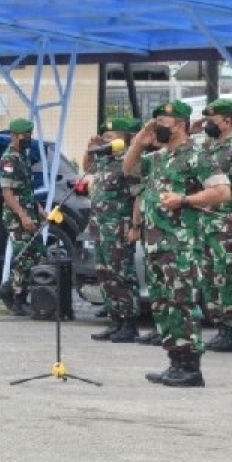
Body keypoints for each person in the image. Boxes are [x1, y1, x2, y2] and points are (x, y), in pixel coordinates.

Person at [124, 99, 230, 387]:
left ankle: (191, 367)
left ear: (181, 124)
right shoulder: (158, 158)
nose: (158, 126)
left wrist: (183, 200)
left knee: (180, 303)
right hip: (156, 246)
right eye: (156, 121)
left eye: (164, 122)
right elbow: (128, 169)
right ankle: (175, 362)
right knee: (162, 305)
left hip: (181, 245)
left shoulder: (197, 155)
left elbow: (222, 192)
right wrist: (139, 138)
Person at [84, 117, 142, 344]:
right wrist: (91, 148)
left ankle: (129, 323)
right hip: (100, 228)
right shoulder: (105, 160)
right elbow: (85, 168)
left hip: (119, 228)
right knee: (105, 275)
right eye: (104, 136)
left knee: (122, 275)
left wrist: (135, 226)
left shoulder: (129, 162)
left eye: (111, 136)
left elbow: (138, 195)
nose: (106, 139)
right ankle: (115, 319)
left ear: (125, 139)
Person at [0, 119, 45, 317]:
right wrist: (23, 216)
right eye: (25, 136)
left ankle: (7, 288)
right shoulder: (8, 160)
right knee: (23, 255)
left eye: (30, 135)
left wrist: (38, 209)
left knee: (35, 254)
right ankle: (16, 298)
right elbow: (8, 193)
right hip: (16, 215)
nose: (28, 139)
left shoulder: (22, 157)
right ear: (14, 136)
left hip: (29, 211)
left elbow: (26, 190)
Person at [196, 99, 232, 351]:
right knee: (211, 277)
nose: (208, 125)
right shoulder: (208, 146)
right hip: (208, 222)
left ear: (228, 121)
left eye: (213, 120)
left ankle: (229, 329)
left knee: (226, 276)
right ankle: (222, 326)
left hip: (226, 222)